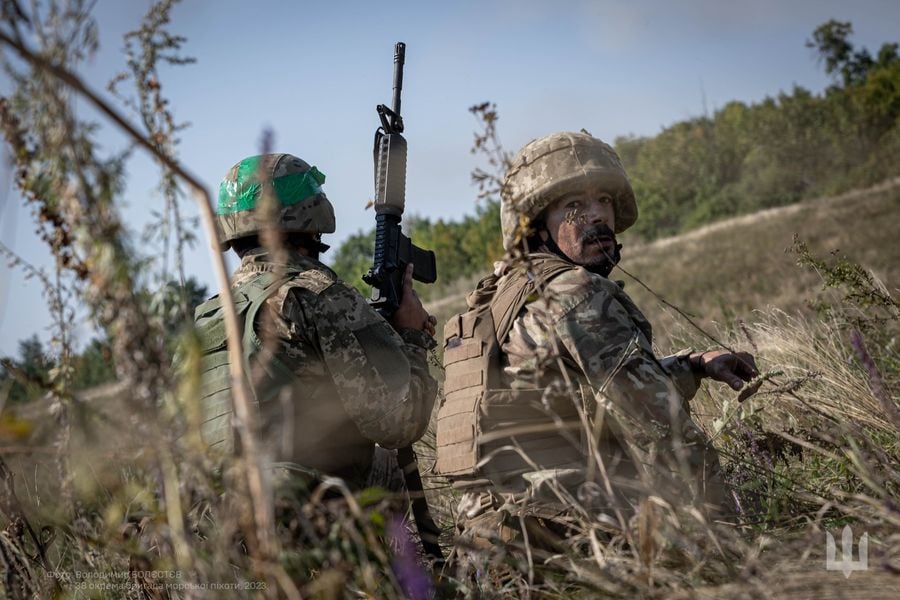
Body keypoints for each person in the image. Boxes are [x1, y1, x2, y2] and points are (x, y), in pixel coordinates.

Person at [436, 132, 757, 555]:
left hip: (491, 548)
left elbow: (571, 399)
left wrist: (695, 365)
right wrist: (725, 539)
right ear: (536, 227)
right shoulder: (576, 292)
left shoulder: (497, 301)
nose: (597, 216)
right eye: (574, 206)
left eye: (603, 200)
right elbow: (661, 430)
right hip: (568, 540)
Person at [193, 152, 438, 492]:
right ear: (309, 217)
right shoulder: (317, 297)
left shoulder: (203, 318)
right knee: (386, 462)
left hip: (210, 518)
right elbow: (399, 422)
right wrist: (411, 337)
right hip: (301, 516)